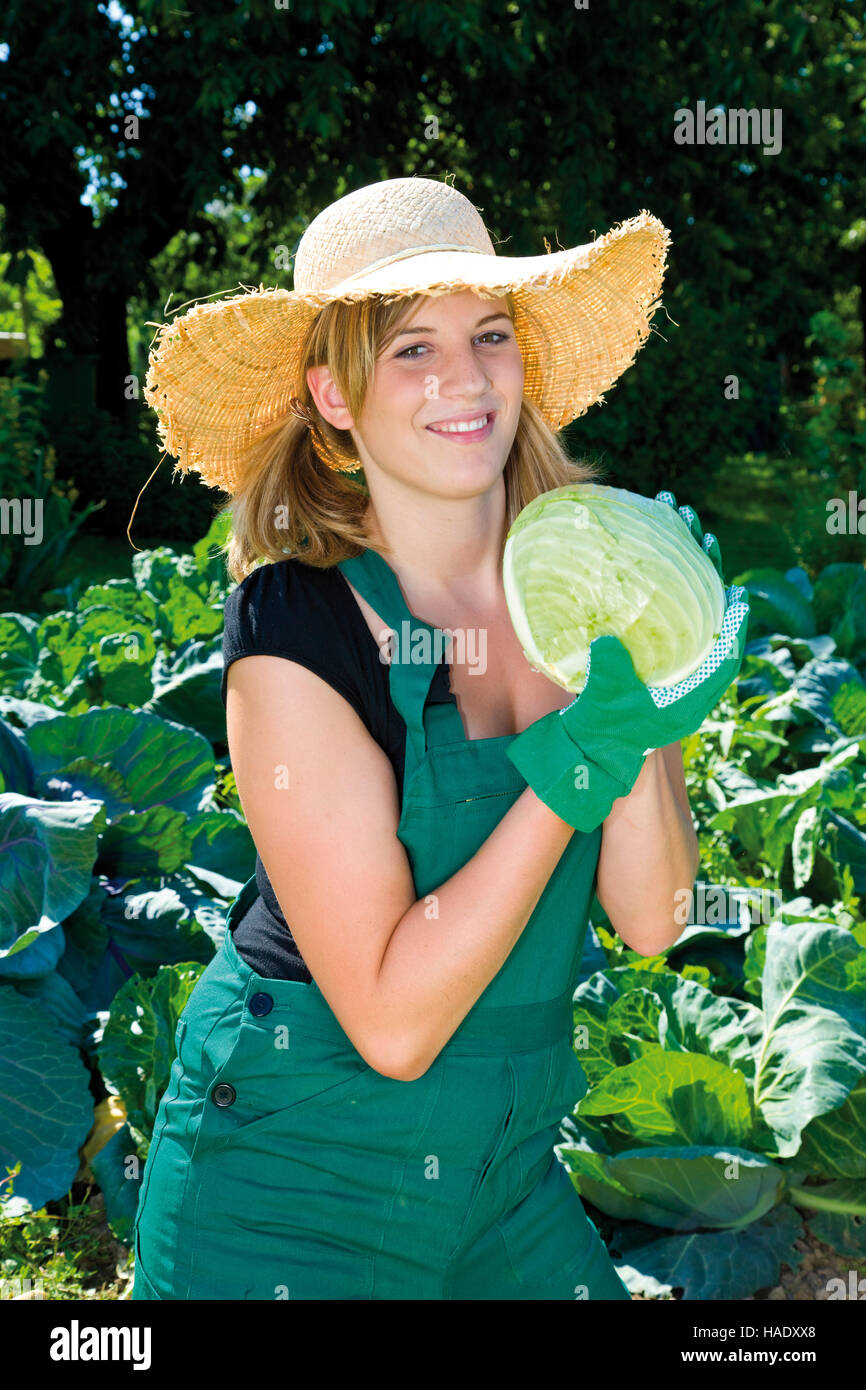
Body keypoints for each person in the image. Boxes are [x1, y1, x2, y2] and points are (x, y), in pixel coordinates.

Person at [131, 174, 748, 1300]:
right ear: (333, 394)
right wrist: (572, 766)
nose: (463, 378)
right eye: (409, 348)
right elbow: (394, 1023)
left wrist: (657, 686)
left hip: (502, 1177)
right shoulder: (297, 625)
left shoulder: (575, 589)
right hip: (290, 1185)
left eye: (488, 334)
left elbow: (653, 918)